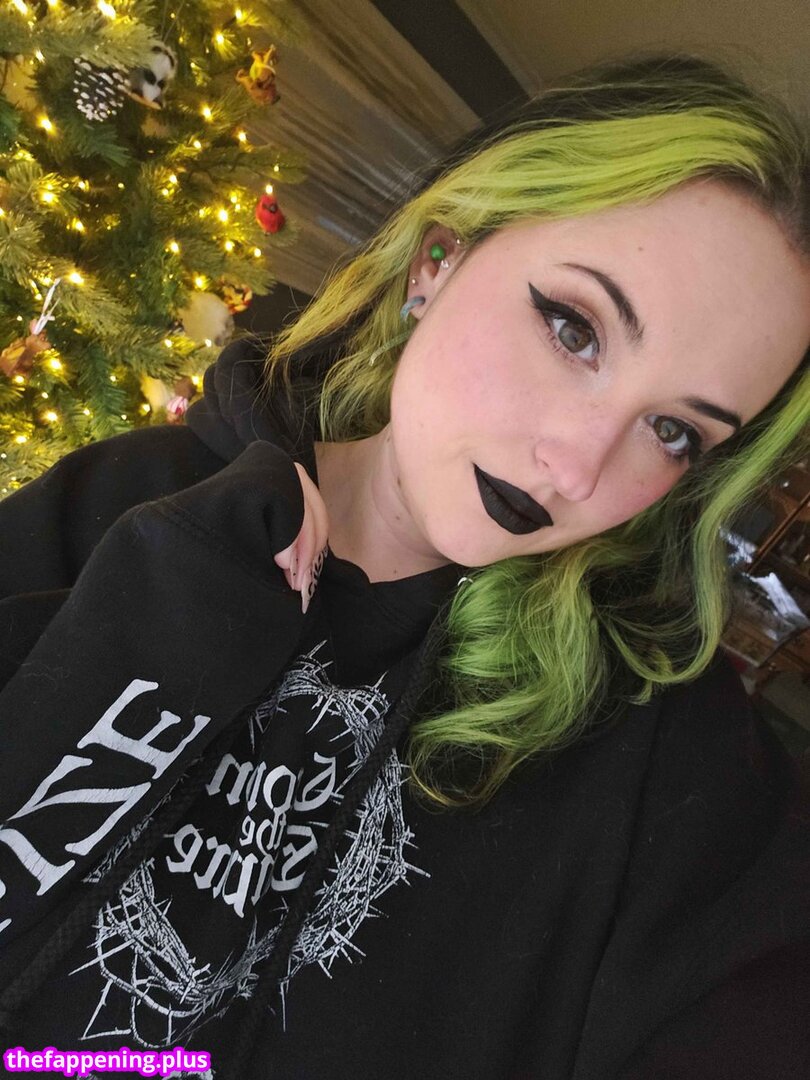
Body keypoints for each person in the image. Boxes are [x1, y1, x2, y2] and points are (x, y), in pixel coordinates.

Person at [0, 51, 809, 1080]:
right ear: (437, 262)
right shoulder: (139, 502)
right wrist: (169, 606)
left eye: (673, 431)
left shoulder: (660, 750)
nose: (575, 466)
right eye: (574, 329)